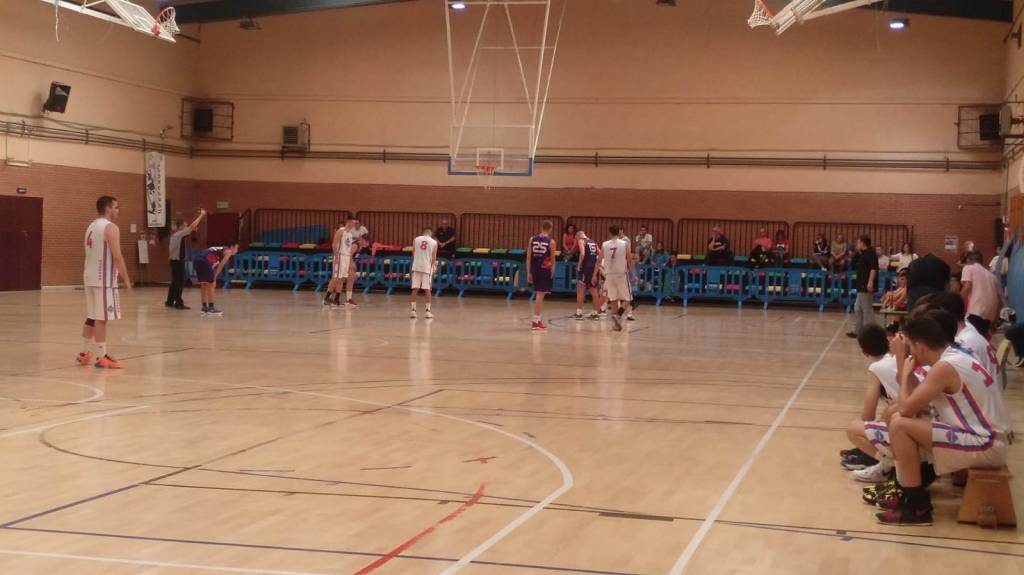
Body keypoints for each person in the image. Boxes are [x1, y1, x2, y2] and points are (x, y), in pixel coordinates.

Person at [851, 309, 1010, 525]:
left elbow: (907, 409)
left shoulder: (945, 367)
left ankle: (916, 506)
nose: (910, 352)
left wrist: (904, 368)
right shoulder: (953, 356)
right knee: (904, 418)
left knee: (900, 424)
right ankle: (910, 489)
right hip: (988, 438)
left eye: (910, 347)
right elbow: (917, 403)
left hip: (986, 444)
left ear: (920, 347)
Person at [840, 324, 901, 483]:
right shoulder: (895, 359)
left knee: (854, 429)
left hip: (907, 421)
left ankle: (883, 464)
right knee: (888, 413)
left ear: (864, 352)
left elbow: (868, 415)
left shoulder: (876, 368)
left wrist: (869, 437)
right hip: (919, 417)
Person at [79, 195, 132, 369]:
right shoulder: (111, 227)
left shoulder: (91, 226)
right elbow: (117, 256)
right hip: (103, 279)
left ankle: (83, 353)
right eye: (116, 207)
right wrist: (126, 278)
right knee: (102, 318)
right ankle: (101, 357)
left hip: (89, 277)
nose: (118, 210)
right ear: (108, 209)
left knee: (92, 316)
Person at [597, 225, 637, 332]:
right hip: (621, 274)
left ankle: (616, 325)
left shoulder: (604, 244)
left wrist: (593, 275)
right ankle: (618, 315)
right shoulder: (624, 244)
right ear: (619, 233)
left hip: (609, 275)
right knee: (628, 299)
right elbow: (629, 260)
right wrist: (634, 274)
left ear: (609, 233)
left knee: (614, 299)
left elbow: (599, 260)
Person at [165, 208, 205, 310]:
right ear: (181, 226)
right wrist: (201, 215)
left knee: (175, 282)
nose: (186, 225)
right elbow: (192, 226)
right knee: (179, 282)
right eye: (185, 224)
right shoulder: (179, 234)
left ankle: (170, 301)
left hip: (174, 261)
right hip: (178, 261)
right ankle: (178, 303)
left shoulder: (175, 235)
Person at [960, 251, 1001, 336]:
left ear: (968, 260)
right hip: (989, 315)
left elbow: (967, 286)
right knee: (979, 338)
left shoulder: (968, 268)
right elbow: (999, 300)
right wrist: (994, 321)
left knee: (967, 338)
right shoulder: (992, 276)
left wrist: (956, 302)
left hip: (976, 311)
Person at [846, 235, 879, 338]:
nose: (857, 244)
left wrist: (870, 281)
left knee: (867, 309)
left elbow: (874, 268)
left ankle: (872, 333)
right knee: (857, 308)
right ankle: (857, 331)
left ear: (863, 243)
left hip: (866, 285)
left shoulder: (871, 254)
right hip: (861, 285)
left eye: (858, 242)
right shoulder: (862, 254)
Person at [192, 243, 238, 316]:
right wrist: (215, 276)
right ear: (232, 247)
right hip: (205, 261)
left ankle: (204, 307)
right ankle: (211, 308)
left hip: (197, 260)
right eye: (236, 248)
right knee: (211, 284)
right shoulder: (228, 251)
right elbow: (221, 265)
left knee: (204, 284)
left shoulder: (219, 250)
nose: (237, 251)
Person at [527, 220, 556, 331]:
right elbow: (553, 259)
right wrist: (552, 271)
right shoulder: (551, 242)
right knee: (540, 295)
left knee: (540, 294)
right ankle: (535, 321)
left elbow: (528, 257)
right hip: (544, 269)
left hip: (534, 269)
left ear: (541, 227)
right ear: (550, 229)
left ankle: (538, 320)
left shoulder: (532, 239)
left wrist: (529, 272)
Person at [324, 219, 358, 308]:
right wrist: (336, 256)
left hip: (346, 257)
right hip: (340, 256)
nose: (354, 225)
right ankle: (326, 298)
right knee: (336, 277)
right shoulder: (341, 231)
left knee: (342, 278)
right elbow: (334, 244)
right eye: (353, 223)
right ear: (349, 222)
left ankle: (336, 299)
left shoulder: (350, 234)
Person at [572, 230, 602, 321]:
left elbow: (582, 253)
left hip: (585, 269)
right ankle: (595, 313)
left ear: (578, 236)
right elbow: (601, 254)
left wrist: (579, 265)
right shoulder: (593, 242)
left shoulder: (581, 241)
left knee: (580, 290)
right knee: (594, 292)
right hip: (594, 269)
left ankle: (579, 313)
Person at [410, 227, 437, 319]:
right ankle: (427, 311)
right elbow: (434, 257)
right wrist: (434, 267)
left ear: (423, 233)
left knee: (415, 288)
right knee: (427, 289)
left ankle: (413, 311)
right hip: (427, 267)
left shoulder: (416, 239)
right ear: (430, 234)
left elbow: (413, 253)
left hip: (416, 266)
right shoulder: (434, 242)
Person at [347, 218, 370, 294]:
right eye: (365, 243)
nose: (366, 245)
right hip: (345, 262)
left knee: (351, 279)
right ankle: (329, 296)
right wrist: (352, 264)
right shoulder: (355, 245)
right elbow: (349, 255)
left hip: (349, 263)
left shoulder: (361, 247)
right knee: (338, 280)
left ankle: (348, 298)